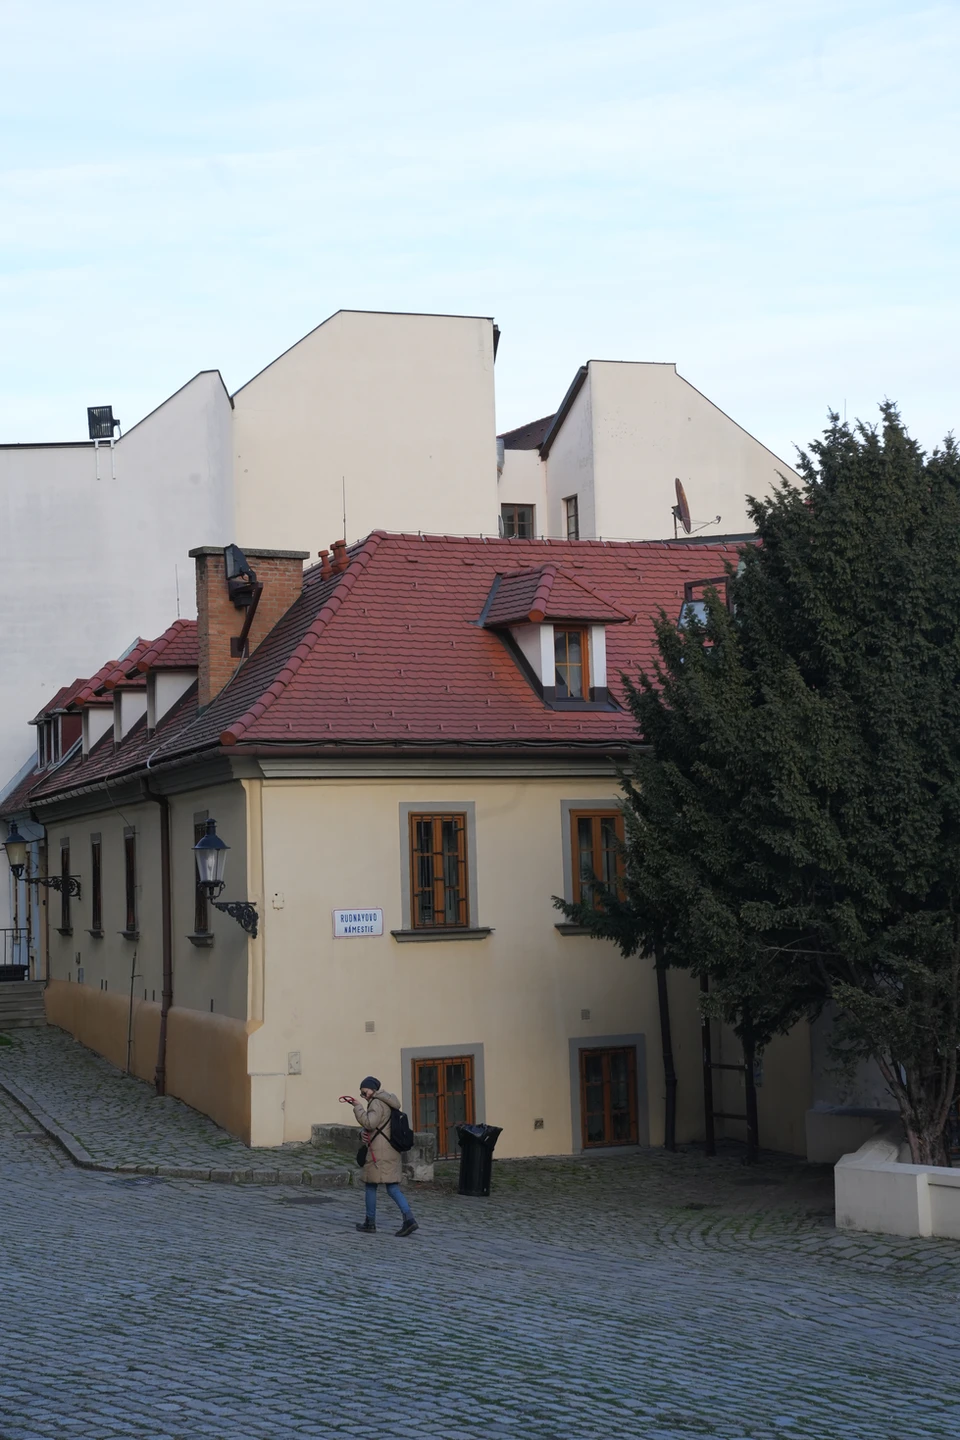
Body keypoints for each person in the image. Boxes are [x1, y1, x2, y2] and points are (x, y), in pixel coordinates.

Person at [345, 1077, 419, 1237]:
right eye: (361, 1093)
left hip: (379, 1153)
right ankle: (408, 1219)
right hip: (390, 1150)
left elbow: (370, 1123)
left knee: (372, 1186)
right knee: (391, 1187)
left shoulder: (376, 1103)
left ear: (372, 1089)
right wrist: (363, 1133)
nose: (363, 1095)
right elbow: (378, 1127)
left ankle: (372, 1222)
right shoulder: (387, 1101)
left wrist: (357, 1107)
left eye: (364, 1092)